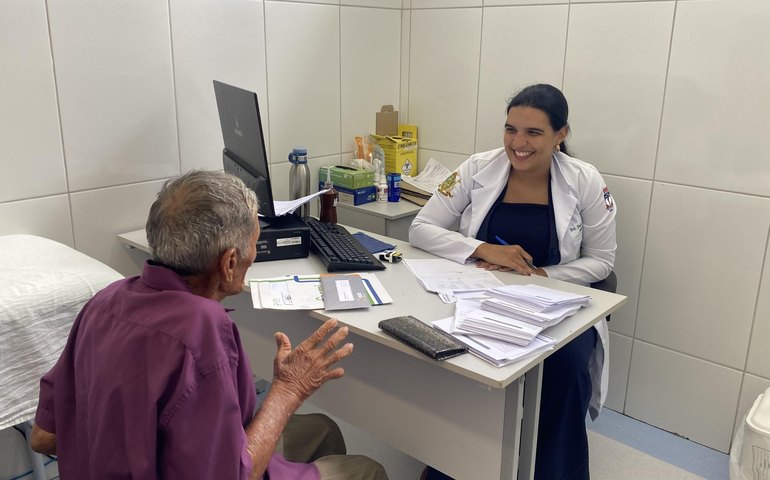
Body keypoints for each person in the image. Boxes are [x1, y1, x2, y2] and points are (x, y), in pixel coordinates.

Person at [30, 170, 388, 480]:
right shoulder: (200, 329)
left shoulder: (106, 301)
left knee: (322, 430)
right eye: (254, 247)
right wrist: (289, 389)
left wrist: (132, 443)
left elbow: (44, 437)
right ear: (229, 263)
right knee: (365, 469)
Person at [410, 84, 616, 480]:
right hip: (481, 299)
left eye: (533, 133)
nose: (518, 143)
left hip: (557, 307)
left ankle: (555, 471)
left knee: (566, 370)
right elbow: (422, 227)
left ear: (561, 135)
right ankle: (455, 465)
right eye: (510, 130)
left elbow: (602, 261)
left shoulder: (585, 181)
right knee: (456, 362)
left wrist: (543, 274)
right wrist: (482, 248)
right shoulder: (476, 168)